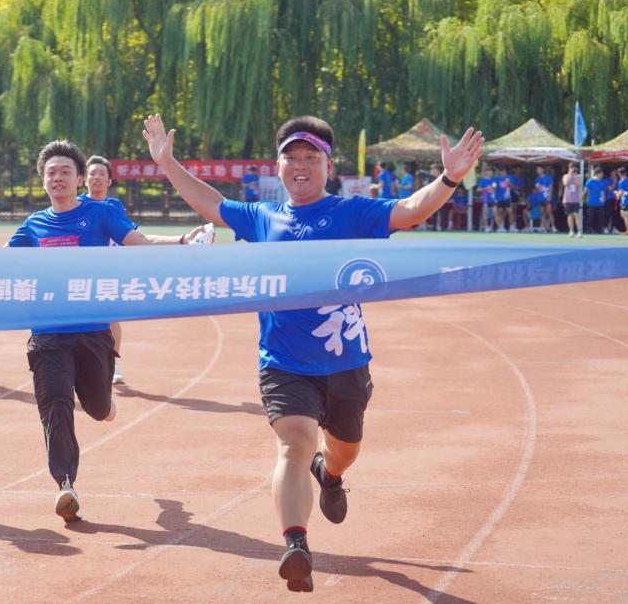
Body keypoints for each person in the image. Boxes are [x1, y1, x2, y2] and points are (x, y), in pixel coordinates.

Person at [143, 113, 484, 593]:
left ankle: (331, 475)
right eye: (291, 158)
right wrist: (167, 163)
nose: (300, 165)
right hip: (283, 363)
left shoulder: (352, 213)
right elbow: (213, 204)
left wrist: (448, 178)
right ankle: (296, 544)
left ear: (328, 166)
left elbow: (410, 210)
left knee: (343, 450)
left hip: (346, 362)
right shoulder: (263, 217)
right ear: (278, 166)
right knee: (294, 443)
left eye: (310, 157)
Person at [0, 141, 206, 523]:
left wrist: (182, 241)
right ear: (43, 180)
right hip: (47, 334)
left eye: (66, 171)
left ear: (79, 179)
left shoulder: (100, 213)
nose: (58, 177)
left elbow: (140, 243)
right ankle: (65, 484)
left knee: (96, 409)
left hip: (93, 331)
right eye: (51, 172)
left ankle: (105, 403)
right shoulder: (34, 226)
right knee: (56, 405)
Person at [80, 155, 132, 385]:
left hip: (108, 270)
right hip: (81, 271)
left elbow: (128, 235)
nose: (96, 177)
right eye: (92, 173)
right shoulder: (77, 204)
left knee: (110, 317)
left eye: (101, 174)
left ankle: (113, 362)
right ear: (84, 179)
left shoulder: (114, 207)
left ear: (109, 181)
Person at [562, 162, 583, 238]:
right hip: (568, 199)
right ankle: (571, 231)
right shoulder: (565, 176)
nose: (572, 169)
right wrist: (570, 175)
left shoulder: (578, 176)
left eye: (573, 168)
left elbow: (578, 184)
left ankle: (579, 231)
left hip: (576, 199)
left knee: (576, 214)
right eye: (571, 167)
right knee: (569, 215)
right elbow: (565, 183)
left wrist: (575, 175)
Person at [584, 167, 607, 234]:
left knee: (600, 217)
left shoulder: (602, 182)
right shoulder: (590, 181)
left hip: (600, 203)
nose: (602, 175)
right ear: (598, 173)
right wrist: (581, 198)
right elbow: (585, 191)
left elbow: (603, 191)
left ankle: (600, 230)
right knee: (591, 217)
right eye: (601, 173)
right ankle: (589, 229)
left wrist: (604, 199)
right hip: (592, 202)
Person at [532, 166, 555, 233]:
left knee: (549, 212)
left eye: (539, 169)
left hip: (547, 198)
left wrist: (549, 195)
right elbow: (537, 188)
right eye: (537, 170)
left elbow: (551, 186)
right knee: (542, 213)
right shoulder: (537, 179)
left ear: (543, 170)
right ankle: (543, 227)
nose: (538, 171)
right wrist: (539, 188)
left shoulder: (548, 177)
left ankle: (553, 227)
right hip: (540, 198)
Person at [493, 167, 515, 232]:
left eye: (504, 171)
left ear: (506, 172)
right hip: (499, 198)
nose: (503, 172)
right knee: (500, 212)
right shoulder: (496, 178)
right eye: (502, 171)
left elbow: (512, 187)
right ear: (500, 172)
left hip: (507, 198)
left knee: (510, 211)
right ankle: (501, 227)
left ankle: (511, 227)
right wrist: (494, 197)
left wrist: (509, 183)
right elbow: (494, 187)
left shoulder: (510, 177)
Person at [477, 167, 496, 232]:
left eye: (491, 171)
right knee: (485, 213)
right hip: (485, 199)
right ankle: (486, 226)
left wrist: (493, 189)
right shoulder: (482, 180)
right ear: (486, 172)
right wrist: (486, 188)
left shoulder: (493, 180)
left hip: (493, 199)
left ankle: (494, 227)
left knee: (494, 214)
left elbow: (495, 189)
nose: (490, 172)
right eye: (488, 171)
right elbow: (478, 189)